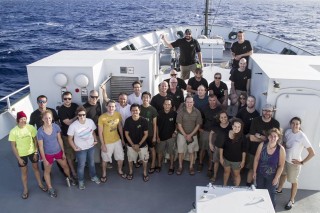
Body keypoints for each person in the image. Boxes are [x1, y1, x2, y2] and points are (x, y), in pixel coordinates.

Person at [277, 117, 315, 210]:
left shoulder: (302, 136)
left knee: (293, 182)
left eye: (297, 124)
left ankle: (291, 200)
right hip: (285, 160)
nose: (295, 125)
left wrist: (302, 162)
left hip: (294, 164)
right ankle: (279, 189)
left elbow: (312, 153)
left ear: (300, 125)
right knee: (283, 175)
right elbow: (286, 143)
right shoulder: (288, 132)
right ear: (290, 124)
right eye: (293, 123)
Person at [37, 110, 76, 197]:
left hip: (58, 152)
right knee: (47, 171)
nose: (48, 120)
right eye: (46, 118)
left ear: (52, 118)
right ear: (43, 119)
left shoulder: (56, 127)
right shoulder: (40, 131)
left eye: (49, 118)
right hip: (48, 155)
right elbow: (40, 147)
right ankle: (50, 188)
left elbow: (60, 140)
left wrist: (63, 153)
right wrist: (44, 159)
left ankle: (69, 177)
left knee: (65, 166)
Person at [8, 111, 47, 199]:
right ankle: (25, 189)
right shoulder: (13, 131)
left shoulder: (31, 128)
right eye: (21, 119)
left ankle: (40, 184)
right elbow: (13, 147)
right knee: (24, 172)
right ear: (18, 120)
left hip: (32, 152)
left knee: (36, 168)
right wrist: (18, 158)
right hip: (21, 155)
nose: (23, 121)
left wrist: (36, 152)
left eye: (25, 119)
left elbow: (35, 140)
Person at [68, 106, 100, 190]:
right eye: (80, 115)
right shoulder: (73, 126)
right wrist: (74, 148)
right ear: (77, 116)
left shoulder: (90, 122)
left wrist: (96, 139)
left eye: (83, 115)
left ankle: (93, 176)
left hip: (90, 147)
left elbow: (92, 131)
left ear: (86, 114)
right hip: (80, 149)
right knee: (81, 165)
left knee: (91, 163)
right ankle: (81, 181)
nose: (82, 116)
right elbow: (70, 139)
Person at [247, 104, 280, 186]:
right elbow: (251, 138)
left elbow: (276, 139)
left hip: (269, 152)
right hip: (254, 150)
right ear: (262, 111)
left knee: (264, 170)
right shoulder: (255, 120)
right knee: (252, 169)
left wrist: (261, 136)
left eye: (269, 111)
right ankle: (248, 185)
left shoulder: (276, 123)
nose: (267, 112)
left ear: (272, 112)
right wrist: (267, 139)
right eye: (265, 110)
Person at [253, 128, 286, 208]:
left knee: (271, 194)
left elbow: (281, 165)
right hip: (260, 173)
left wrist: (276, 177)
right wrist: (254, 172)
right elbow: (256, 159)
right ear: (268, 137)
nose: (273, 138)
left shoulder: (280, 149)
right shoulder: (262, 145)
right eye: (271, 136)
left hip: (272, 176)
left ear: (278, 138)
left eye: (275, 136)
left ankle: (270, 209)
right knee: (260, 191)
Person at [98, 100, 126, 183]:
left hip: (117, 140)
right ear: (106, 106)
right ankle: (104, 173)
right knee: (105, 159)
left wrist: (122, 139)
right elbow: (100, 132)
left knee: (120, 157)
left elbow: (120, 127)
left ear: (115, 107)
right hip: (107, 142)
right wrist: (102, 144)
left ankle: (120, 170)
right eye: (109, 106)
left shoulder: (118, 114)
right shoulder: (102, 117)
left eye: (113, 106)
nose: (111, 108)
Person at [176, 95, 202, 175]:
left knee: (192, 152)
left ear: (193, 102)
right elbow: (179, 125)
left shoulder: (197, 112)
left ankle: (191, 167)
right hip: (181, 135)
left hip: (193, 135)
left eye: (191, 102)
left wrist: (190, 135)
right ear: (185, 103)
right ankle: (180, 166)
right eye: (187, 102)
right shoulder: (181, 112)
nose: (189, 104)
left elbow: (198, 125)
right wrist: (185, 135)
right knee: (181, 152)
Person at [124, 104, 149, 182]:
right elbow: (126, 134)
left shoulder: (144, 120)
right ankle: (131, 172)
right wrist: (132, 145)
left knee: (144, 160)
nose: (135, 112)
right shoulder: (128, 120)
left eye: (136, 110)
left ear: (139, 111)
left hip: (142, 145)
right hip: (131, 145)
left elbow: (146, 134)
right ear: (130, 111)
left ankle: (145, 172)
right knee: (130, 159)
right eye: (133, 110)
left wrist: (138, 145)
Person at [198, 94, 221, 174]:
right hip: (205, 131)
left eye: (214, 100)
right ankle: (200, 163)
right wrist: (200, 129)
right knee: (202, 149)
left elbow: (222, 122)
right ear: (208, 101)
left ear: (216, 100)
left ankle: (210, 168)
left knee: (211, 151)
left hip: (215, 133)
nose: (212, 102)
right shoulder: (204, 108)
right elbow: (200, 119)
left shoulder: (220, 110)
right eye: (210, 100)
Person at [220, 118, 247, 186]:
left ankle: (236, 188)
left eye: (239, 127)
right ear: (232, 126)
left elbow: (244, 150)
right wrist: (221, 158)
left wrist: (243, 161)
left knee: (236, 175)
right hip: (226, 158)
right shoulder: (225, 134)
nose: (237, 128)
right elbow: (221, 147)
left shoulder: (243, 137)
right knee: (226, 172)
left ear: (241, 128)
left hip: (237, 161)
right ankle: (224, 185)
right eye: (235, 126)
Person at [58, 91, 78, 178]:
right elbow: (68, 122)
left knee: (79, 151)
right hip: (67, 135)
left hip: (77, 135)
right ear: (63, 99)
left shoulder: (75, 106)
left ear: (71, 99)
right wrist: (77, 117)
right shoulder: (61, 110)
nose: (67, 100)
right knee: (69, 154)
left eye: (69, 98)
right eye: (65, 99)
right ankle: (73, 171)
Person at [209, 111, 232, 182]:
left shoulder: (231, 126)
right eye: (221, 117)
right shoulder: (217, 126)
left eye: (225, 117)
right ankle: (215, 175)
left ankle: (229, 176)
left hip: (227, 148)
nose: (223, 119)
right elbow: (211, 133)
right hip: (218, 147)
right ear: (219, 118)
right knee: (216, 162)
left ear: (227, 117)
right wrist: (210, 143)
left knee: (228, 163)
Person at [156, 98, 177, 175]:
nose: (167, 106)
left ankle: (171, 166)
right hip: (161, 137)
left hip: (171, 137)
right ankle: (159, 165)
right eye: (166, 104)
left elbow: (177, 125)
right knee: (159, 152)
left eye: (169, 104)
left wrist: (175, 132)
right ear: (163, 105)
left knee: (171, 152)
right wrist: (157, 136)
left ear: (171, 105)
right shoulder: (159, 113)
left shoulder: (174, 114)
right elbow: (157, 126)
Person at [139, 91, 158, 174]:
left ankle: (153, 164)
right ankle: (141, 161)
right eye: (144, 97)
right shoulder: (138, 108)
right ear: (141, 98)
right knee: (141, 149)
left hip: (150, 134)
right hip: (140, 134)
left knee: (152, 149)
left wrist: (154, 136)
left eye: (147, 97)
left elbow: (154, 124)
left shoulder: (153, 109)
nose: (145, 99)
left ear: (150, 99)